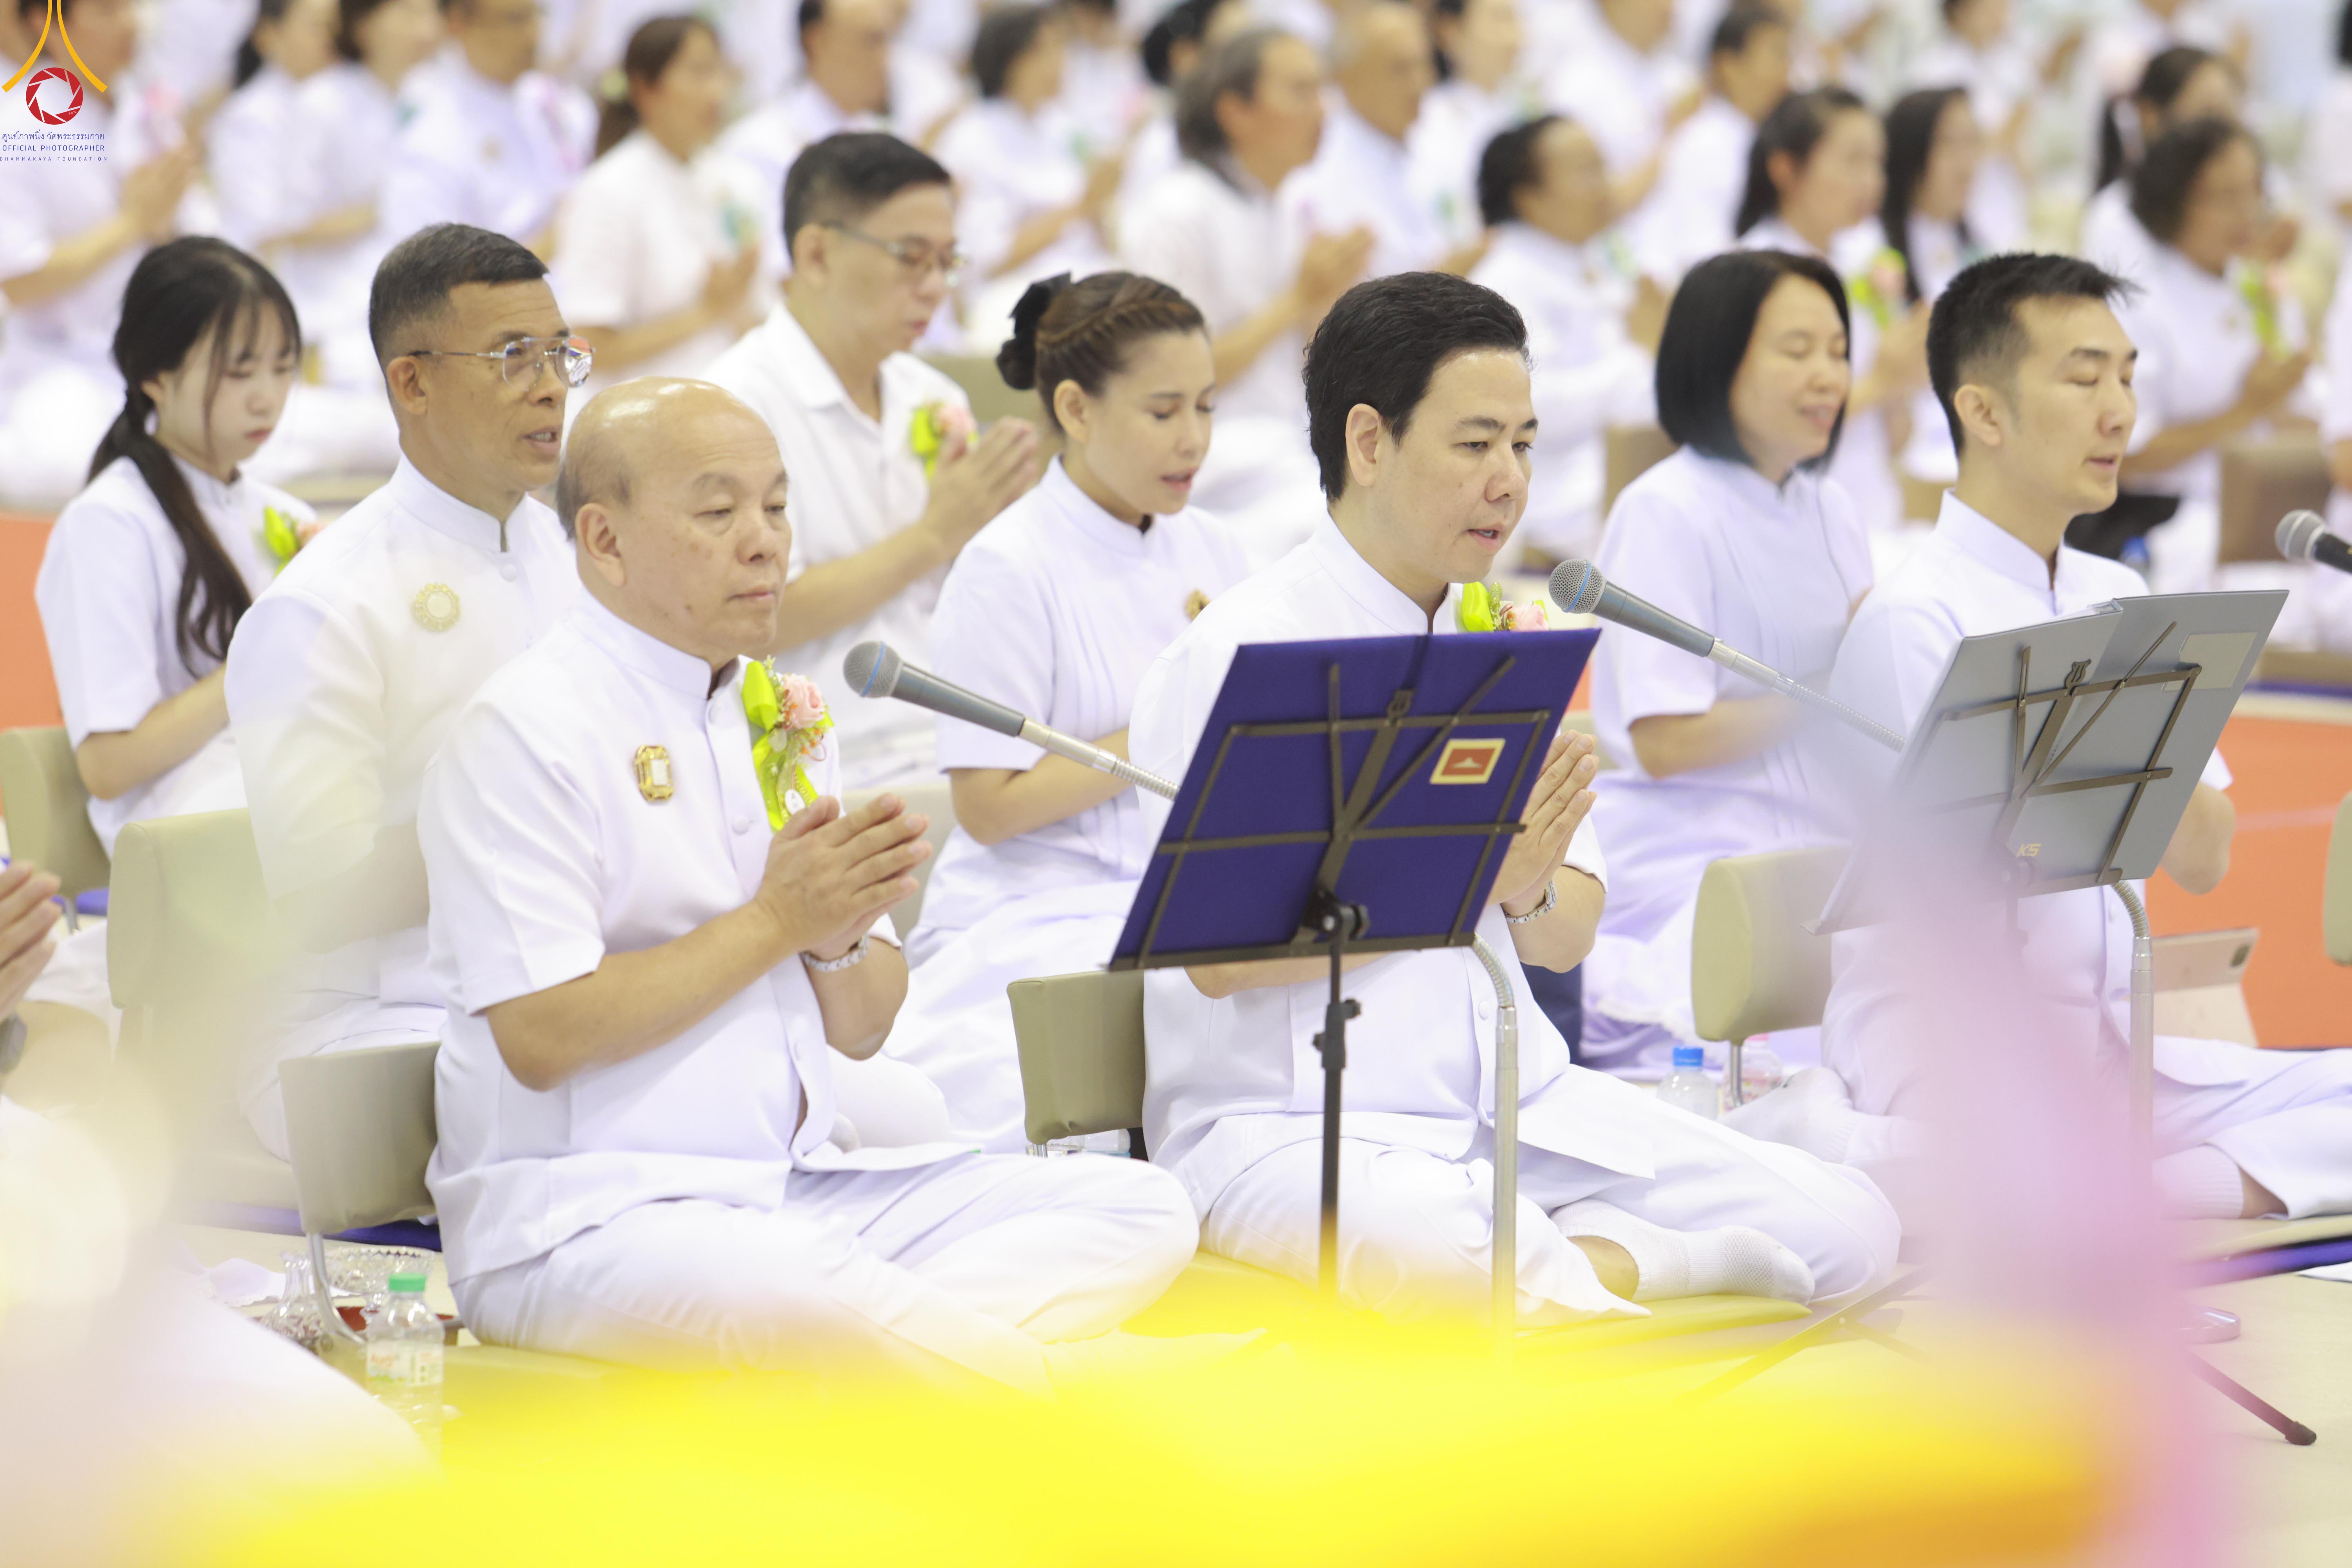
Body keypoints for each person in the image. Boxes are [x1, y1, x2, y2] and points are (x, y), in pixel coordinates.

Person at [1128, 270, 1900, 1324]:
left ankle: (1591, 1261)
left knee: (1858, 1226)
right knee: (1453, 1271)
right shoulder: (1236, 652)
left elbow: (1564, 937)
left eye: (1525, 446)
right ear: (1368, 443)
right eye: (1475, 443)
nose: (1510, 482)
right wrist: (1456, 875)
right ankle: (1649, 1265)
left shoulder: (1503, 648)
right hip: (1296, 1125)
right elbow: (1215, 965)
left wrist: (1526, 889)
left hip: (1517, 1109)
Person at [419, 376, 1202, 1392]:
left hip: (789, 1185)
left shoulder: (779, 712)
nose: (765, 541)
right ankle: (1070, 1398)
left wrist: (831, 931)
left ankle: (882, 1366)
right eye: (719, 512)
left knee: (1142, 1212)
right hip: (587, 1215)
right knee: (794, 1295)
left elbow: (865, 1028)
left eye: (779, 507)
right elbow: (543, 1038)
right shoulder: (522, 731)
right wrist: (779, 918)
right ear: (605, 543)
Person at [1736, 252, 2352, 1227]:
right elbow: (1953, 901)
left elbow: (2204, 859)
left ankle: (2112, 1196)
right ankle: (1964, 1168)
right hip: (1951, 1054)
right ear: (1982, 412)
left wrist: (2150, 710)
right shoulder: (1913, 616)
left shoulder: (2125, 596)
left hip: (2116, 1050)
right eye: (2083, 377)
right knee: (2013, 1170)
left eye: (2127, 374)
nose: (2119, 411)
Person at [223, 225, 588, 1158]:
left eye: (559, 354)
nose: (549, 385)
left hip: (554, 979)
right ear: (412, 382)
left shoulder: (572, 552)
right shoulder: (322, 604)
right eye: (513, 357)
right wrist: (540, 827)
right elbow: (324, 898)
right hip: (363, 1016)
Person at [880, 272, 1248, 1152]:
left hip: (1184, 886)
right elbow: (992, 806)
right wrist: (1167, 732)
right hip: (1040, 902)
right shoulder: (1008, 563)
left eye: (1206, 406)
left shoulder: (1217, 544)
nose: (1193, 438)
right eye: (1163, 412)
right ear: (1077, 409)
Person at [1577, 249, 1869, 1082]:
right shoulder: (1666, 509)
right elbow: (1666, 740)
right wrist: (1830, 693)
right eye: (1797, 349)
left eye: (1839, 351)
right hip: (1697, 858)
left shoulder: (1830, 506)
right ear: (1718, 357)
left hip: (1820, 839)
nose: (1828, 376)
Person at [27, 240, 312, 1029]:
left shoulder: (280, 514)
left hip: (271, 791)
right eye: (238, 369)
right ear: (156, 373)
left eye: (283, 367)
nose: (268, 398)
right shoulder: (108, 523)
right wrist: (274, 637)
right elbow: (110, 763)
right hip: (189, 832)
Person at [704, 133, 1041, 788]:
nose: (937, 287)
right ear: (817, 253)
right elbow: (750, 622)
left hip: (955, 730)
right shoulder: (732, 406)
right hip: (823, 758)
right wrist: (934, 537)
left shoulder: (931, 394)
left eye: (948, 261)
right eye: (911, 258)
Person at [1117, 29, 1368, 557]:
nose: (1322, 111)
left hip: (1286, 438)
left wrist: (1334, 300)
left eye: (1323, 90)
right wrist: (1296, 296)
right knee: (1335, 524)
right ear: (1235, 110)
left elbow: (1307, 357)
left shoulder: (1286, 204)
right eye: (1301, 91)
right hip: (1214, 449)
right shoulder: (1176, 211)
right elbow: (1170, 376)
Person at [0, 0, 202, 508]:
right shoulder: (16, 123)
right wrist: (132, 223)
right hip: (59, 365)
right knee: (70, 469)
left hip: (161, 357)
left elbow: (200, 239)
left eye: (131, 6)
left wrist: (163, 224)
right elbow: (20, 281)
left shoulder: (148, 110)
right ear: (43, 24)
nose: (132, 22)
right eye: (108, 9)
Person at [2107, 116, 2314, 594]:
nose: (2247, 212)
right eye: (2223, 197)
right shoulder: (2140, 307)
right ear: (2173, 204)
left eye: (2254, 191)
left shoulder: (2261, 286)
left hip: (2276, 507)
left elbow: (2304, 412)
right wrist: (2244, 410)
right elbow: (2125, 456)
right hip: (2171, 520)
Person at [1467, 114, 1661, 569]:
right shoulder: (1503, 281)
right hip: (1551, 501)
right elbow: (1532, 410)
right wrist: (1646, 352)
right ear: (1529, 197)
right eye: (1585, 170)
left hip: (1603, 478)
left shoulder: (1589, 263)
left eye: (1603, 166)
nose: (1606, 185)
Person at [1737, 87, 1925, 554]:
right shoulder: (1748, 271)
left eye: (1878, 163)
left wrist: (1902, 380)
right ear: (1786, 168)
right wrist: (1882, 380)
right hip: (1784, 525)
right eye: (1852, 160)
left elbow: (1899, 439)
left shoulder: (1866, 261)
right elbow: (1756, 426)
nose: (1871, 182)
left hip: (1875, 511)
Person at [554, 15, 767, 390]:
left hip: (737, 402)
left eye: (720, 71)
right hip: (642, 422)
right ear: (645, 88)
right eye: (699, 73)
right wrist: (705, 313)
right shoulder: (606, 191)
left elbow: (759, 313)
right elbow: (581, 353)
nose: (717, 91)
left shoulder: (737, 180)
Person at [272, 0, 445, 394]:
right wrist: (385, 209)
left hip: (420, 304)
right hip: (337, 315)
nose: (424, 31)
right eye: (407, 15)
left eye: (429, 14)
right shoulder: (323, 101)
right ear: (364, 26)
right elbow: (288, 223)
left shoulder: (435, 97)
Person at [934, 4, 1121, 350]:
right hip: (1016, 294)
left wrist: (1101, 204)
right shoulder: (971, 138)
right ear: (1007, 59)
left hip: (1088, 275)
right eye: (1042, 50)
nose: (1059, 62)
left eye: (1061, 47)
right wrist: (1080, 207)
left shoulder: (1064, 128)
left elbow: (1102, 232)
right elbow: (985, 260)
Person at [381, 0, 597, 252]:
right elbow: (434, 278)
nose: (534, 33)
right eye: (515, 19)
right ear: (458, 24)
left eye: (537, 15)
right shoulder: (430, 139)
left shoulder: (564, 103)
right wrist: (564, 233)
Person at [1280, 2, 1459, 281]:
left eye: (1424, 64)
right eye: (1401, 68)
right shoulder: (1317, 167)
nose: (1419, 83)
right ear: (1346, 76)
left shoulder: (1441, 138)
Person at [1630, 3, 1791, 281]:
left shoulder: (1756, 139)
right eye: (1776, 55)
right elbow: (1701, 254)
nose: (1787, 73)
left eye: (1790, 58)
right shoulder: (1705, 142)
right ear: (1727, 65)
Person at [1879, 86, 1986, 497]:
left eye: (1972, 141)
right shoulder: (1875, 254)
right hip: (1909, 452)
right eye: (1949, 143)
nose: (1966, 161)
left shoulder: (1973, 241)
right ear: (1911, 152)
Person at [1906, 0, 2078, 252]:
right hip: (1965, 210)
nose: (2003, 13)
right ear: (1962, 11)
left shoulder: (2004, 67)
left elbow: (2018, 146)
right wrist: (2038, 86)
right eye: (1992, 5)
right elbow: (1975, 145)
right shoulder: (1935, 72)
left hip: (2007, 204)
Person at [2079, 44, 2241, 281]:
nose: (2223, 135)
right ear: (2150, 117)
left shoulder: (2249, 212)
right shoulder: (2115, 220)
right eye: (2208, 114)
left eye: (2230, 115)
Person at [1539, 0, 1699, 222]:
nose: (1670, 7)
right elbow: (1587, 208)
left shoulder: (1682, 79)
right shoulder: (1576, 87)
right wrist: (1670, 138)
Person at [210, 0, 345, 255]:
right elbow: (263, 227)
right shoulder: (249, 117)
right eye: (318, 26)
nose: (332, 37)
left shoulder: (343, 98)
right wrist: (352, 221)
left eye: (336, 26)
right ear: (269, 35)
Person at [1409, 0, 1535, 252]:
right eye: (1499, 20)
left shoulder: (1532, 109)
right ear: (1450, 30)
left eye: (1516, 20)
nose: (1515, 37)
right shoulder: (1428, 120)